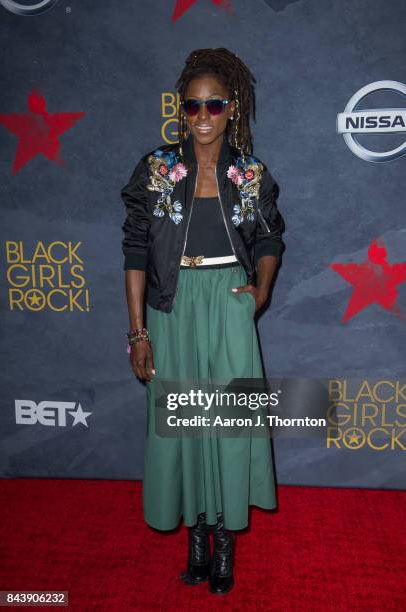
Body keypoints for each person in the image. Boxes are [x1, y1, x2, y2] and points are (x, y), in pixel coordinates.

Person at [120, 47, 285, 595]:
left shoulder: (250, 173)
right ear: (181, 110)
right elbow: (137, 249)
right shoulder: (157, 170)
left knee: (228, 420)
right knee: (182, 423)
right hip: (173, 304)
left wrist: (257, 294)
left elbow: (268, 238)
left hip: (228, 302)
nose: (204, 116)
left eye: (215, 105)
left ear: (232, 107)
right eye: (193, 106)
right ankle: (196, 536)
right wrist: (138, 331)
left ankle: (225, 543)